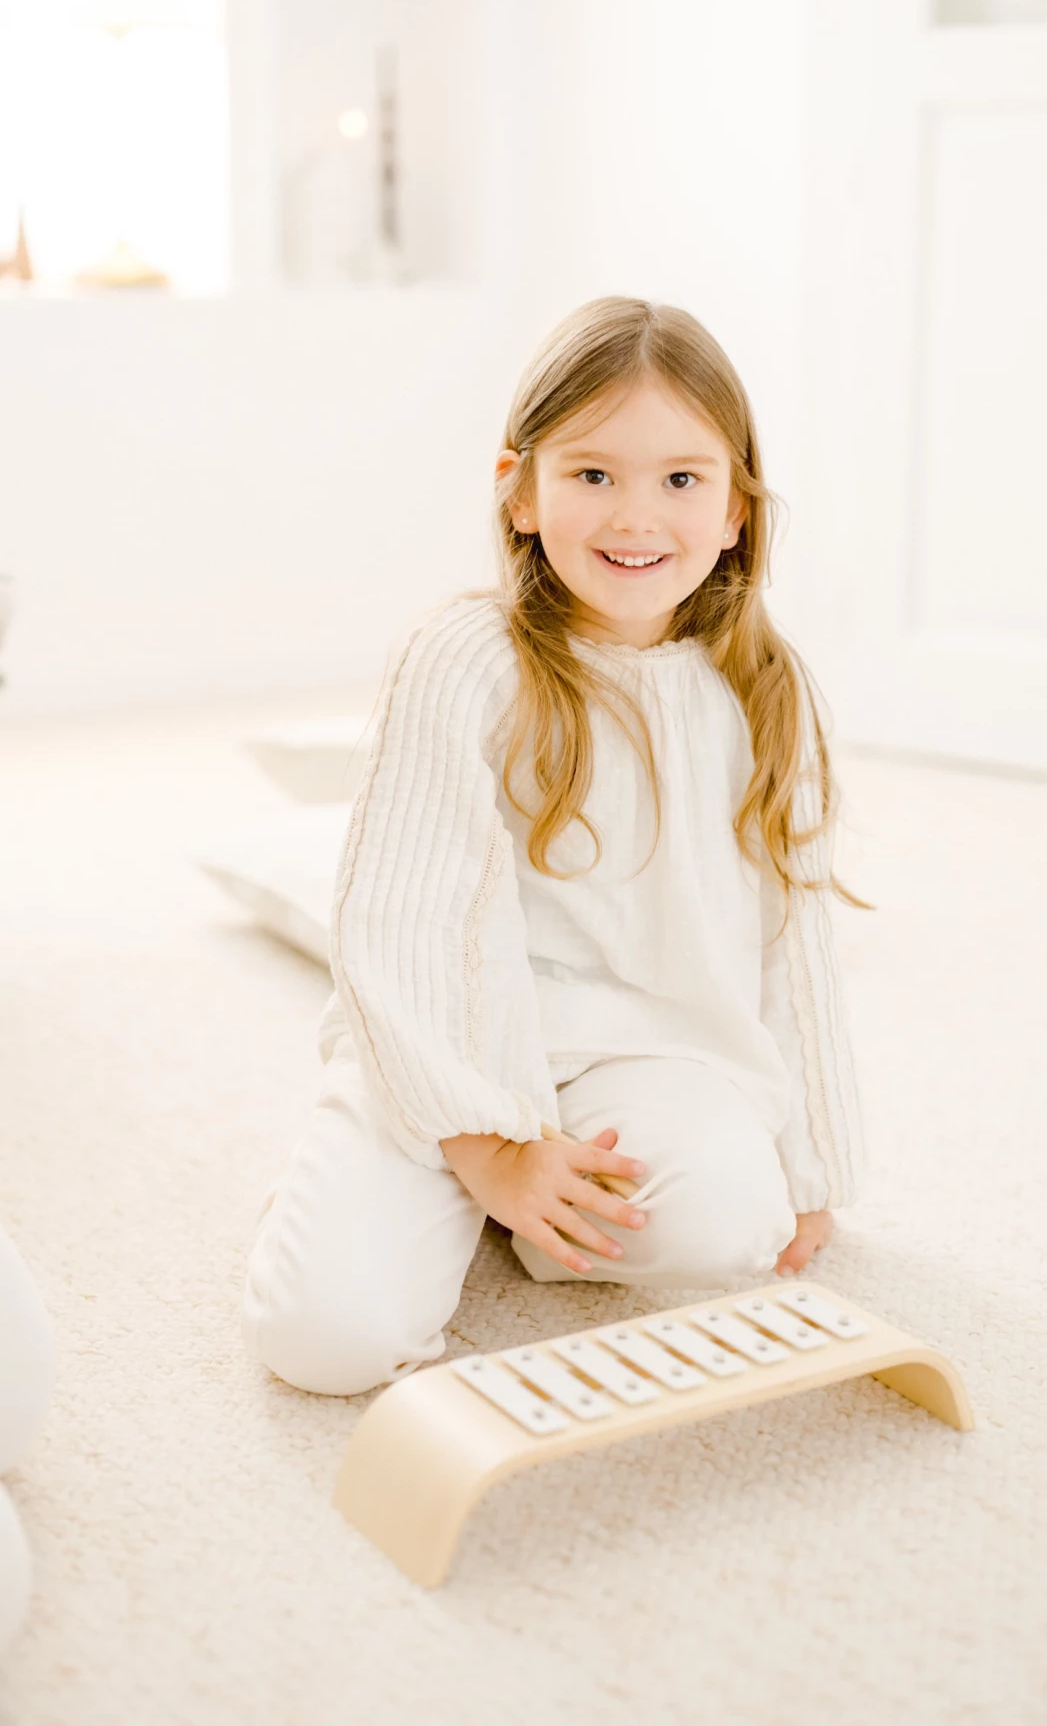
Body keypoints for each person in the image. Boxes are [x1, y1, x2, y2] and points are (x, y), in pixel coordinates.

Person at [242, 295, 871, 1398]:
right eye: (593, 475)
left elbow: (794, 943)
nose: (637, 516)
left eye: (682, 479)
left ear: (737, 509)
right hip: (444, 1050)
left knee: (736, 1222)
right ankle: (437, 1190)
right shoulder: (465, 658)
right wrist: (486, 1150)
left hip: (639, 1052)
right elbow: (401, 930)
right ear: (520, 491)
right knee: (325, 1341)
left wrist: (814, 1164)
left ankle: (535, 1214)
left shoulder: (766, 689)